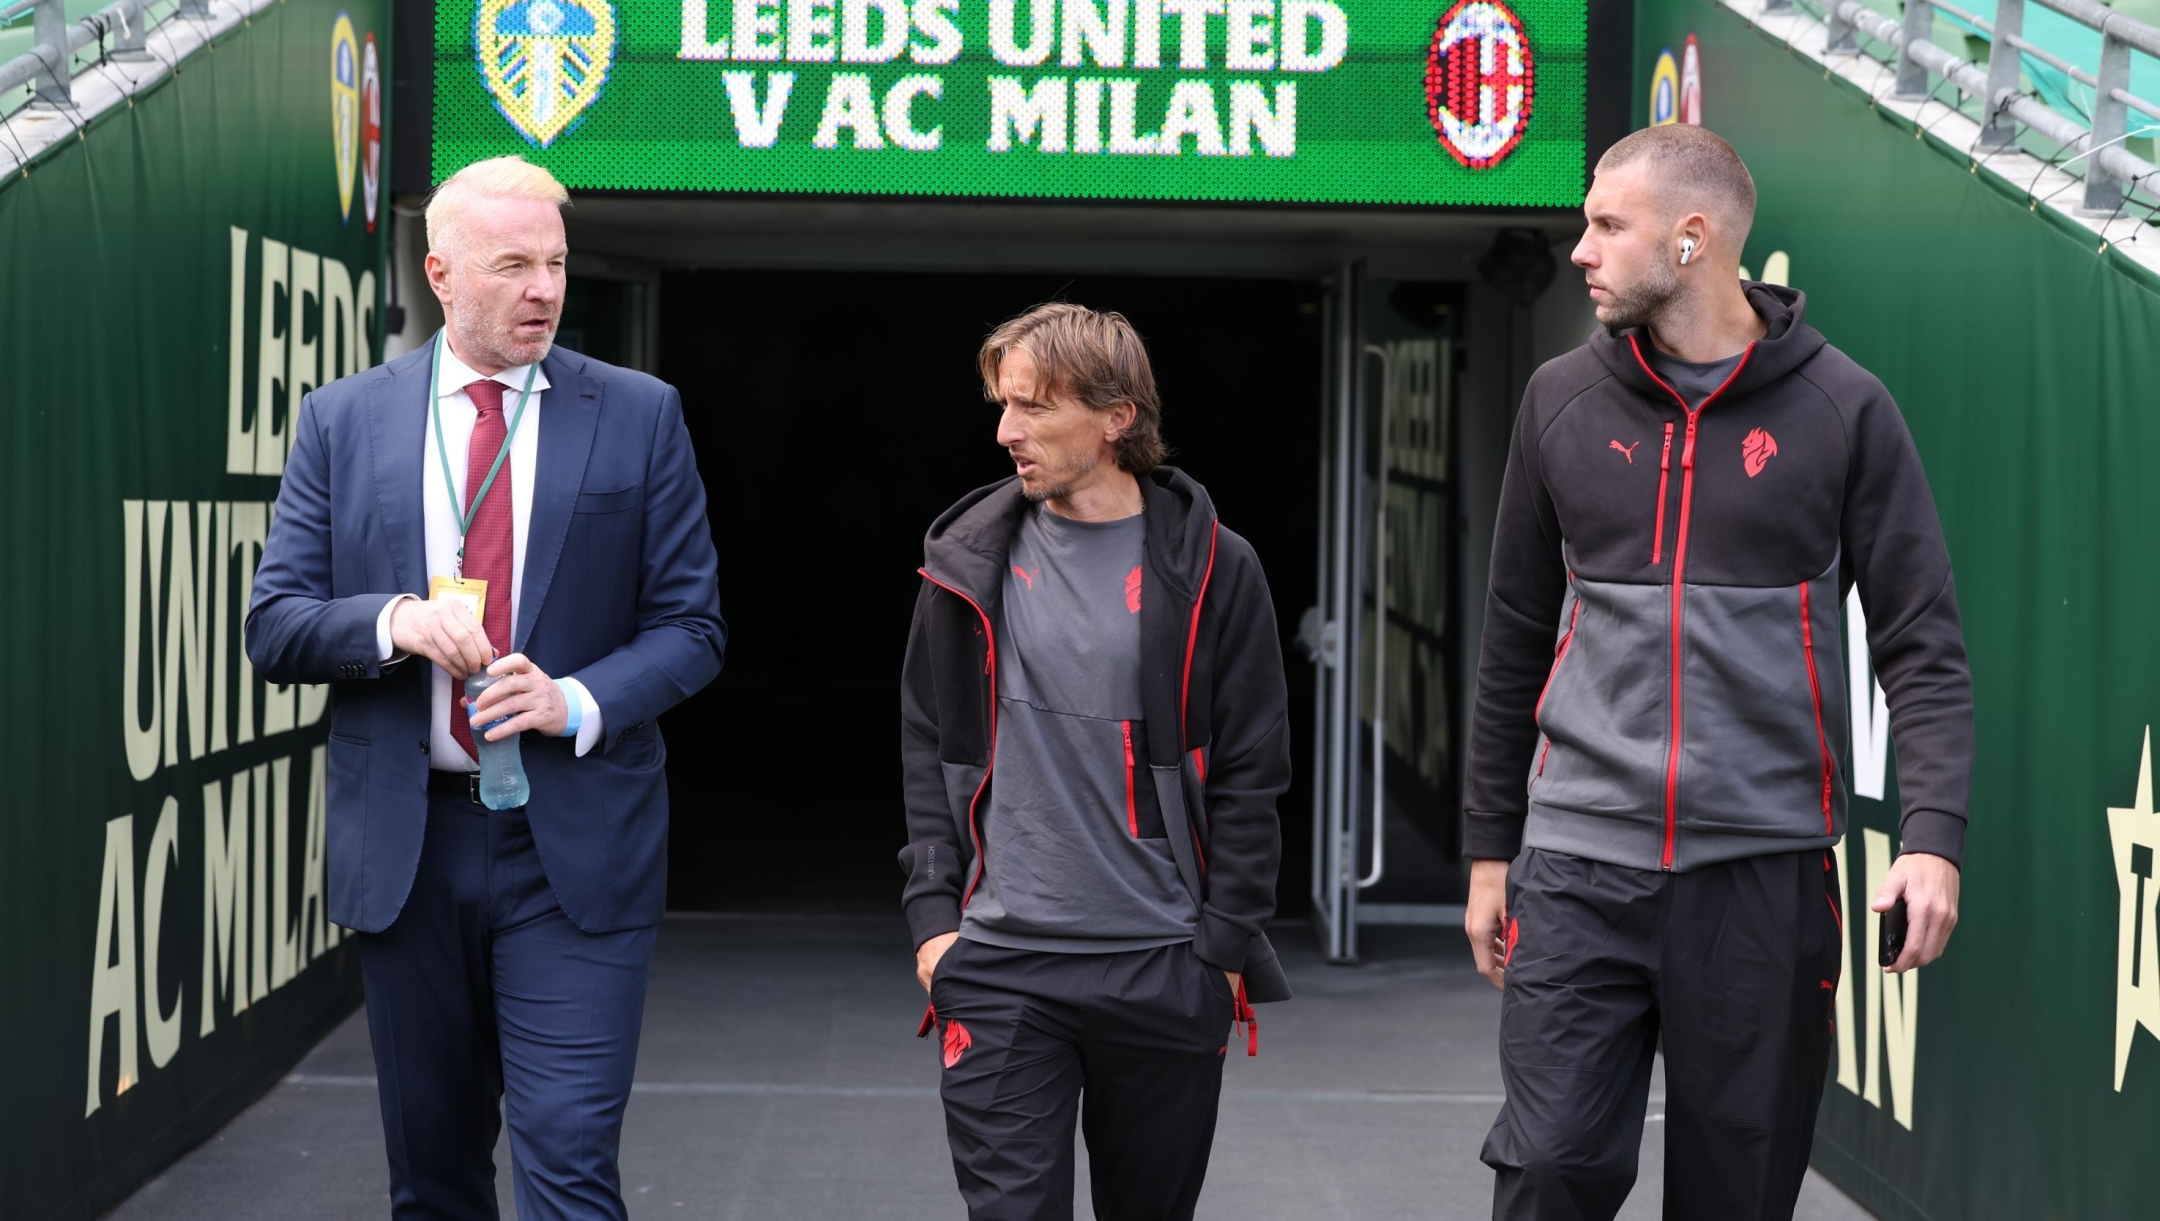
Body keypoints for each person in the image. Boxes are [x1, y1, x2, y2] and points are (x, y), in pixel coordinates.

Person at [1461, 124, 1972, 1220]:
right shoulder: (1559, 398)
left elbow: (1920, 642)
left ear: (1691, 240)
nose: (1581, 251)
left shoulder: (1845, 408)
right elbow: (1513, 633)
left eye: (1608, 226)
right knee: (1548, 1169)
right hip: (1578, 867)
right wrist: (1488, 847)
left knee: (1736, 1195)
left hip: (1764, 878)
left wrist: (1931, 842)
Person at [247, 155, 725, 1221]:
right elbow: (273, 626)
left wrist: (577, 701)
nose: (545, 289)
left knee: (568, 1167)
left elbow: (693, 629)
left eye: (555, 263)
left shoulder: (641, 415)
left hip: (575, 854)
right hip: (410, 855)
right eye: (513, 265)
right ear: (441, 274)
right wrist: (393, 622)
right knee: (434, 1180)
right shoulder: (343, 421)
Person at [899, 302, 1292, 1221]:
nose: (1006, 431)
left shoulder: (1215, 569)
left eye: (1034, 407)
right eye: (1003, 404)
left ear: (1117, 417)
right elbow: (929, 745)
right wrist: (931, 925)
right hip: (997, 963)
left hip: (1162, 962)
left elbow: (1251, 770)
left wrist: (1222, 946)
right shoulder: (962, 564)